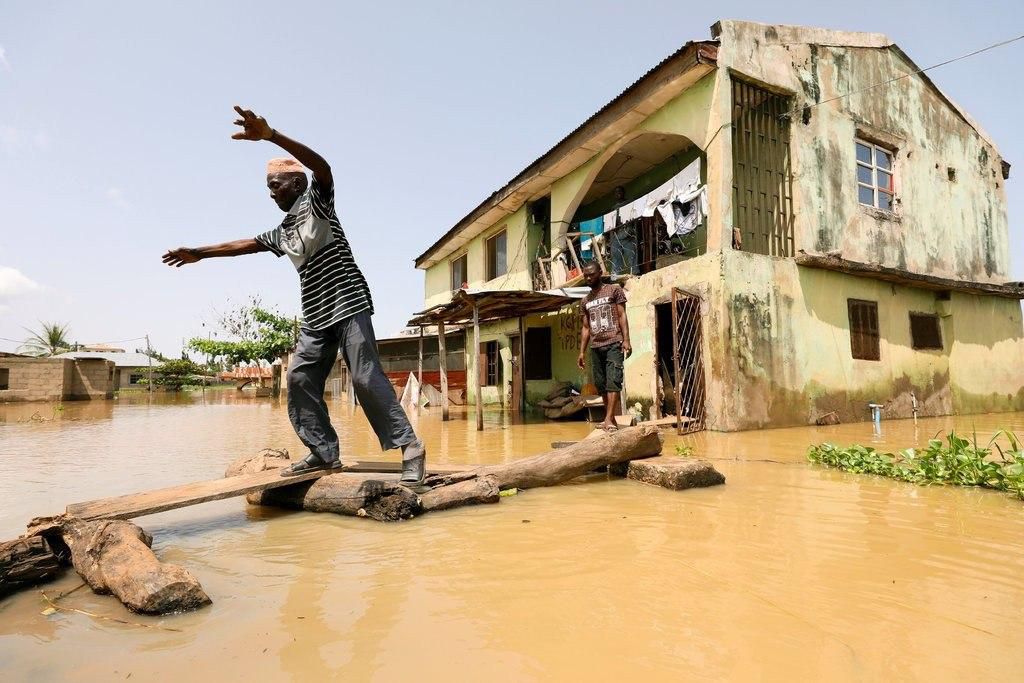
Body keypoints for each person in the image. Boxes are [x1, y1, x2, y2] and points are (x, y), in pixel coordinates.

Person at [162, 106, 426, 484]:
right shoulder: (283, 231)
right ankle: (323, 452)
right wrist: (200, 253)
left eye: (275, 186)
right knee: (300, 379)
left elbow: (323, 167)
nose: (271, 194)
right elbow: (247, 243)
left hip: (348, 301)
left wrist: (271, 135)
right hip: (316, 314)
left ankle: (411, 448)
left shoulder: (317, 202)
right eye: (268, 188)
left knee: (365, 378)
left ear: (296, 184)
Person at [576, 261, 631, 432]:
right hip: (596, 346)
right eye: (585, 275)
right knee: (601, 384)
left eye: (591, 274)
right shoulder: (585, 301)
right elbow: (586, 328)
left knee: (613, 381)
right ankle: (611, 419)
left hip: (614, 342)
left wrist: (626, 340)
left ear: (600, 272)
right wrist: (581, 352)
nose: (588, 277)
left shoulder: (614, 290)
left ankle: (607, 418)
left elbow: (622, 315)